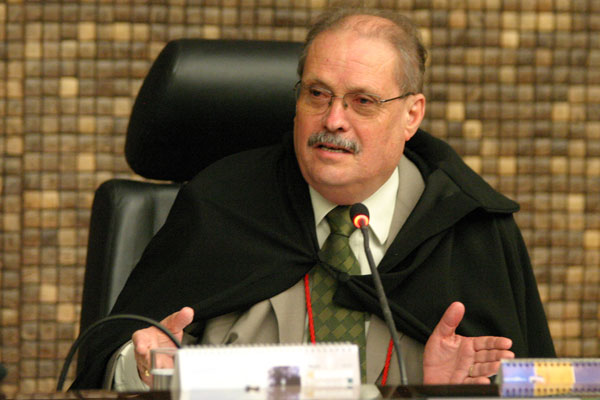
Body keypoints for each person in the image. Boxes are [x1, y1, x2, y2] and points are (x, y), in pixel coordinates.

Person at [71, 8, 555, 390]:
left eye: (362, 101)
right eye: (318, 94)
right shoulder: (221, 204)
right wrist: (145, 368)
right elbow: (108, 366)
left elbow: (539, 386)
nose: (334, 120)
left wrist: (438, 395)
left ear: (412, 115)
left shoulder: (469, 227)